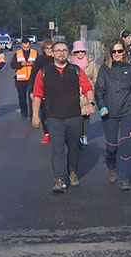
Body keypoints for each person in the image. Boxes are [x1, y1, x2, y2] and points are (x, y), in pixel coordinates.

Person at [32, 40, 96, 194]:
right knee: (57, 149)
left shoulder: (75, 71)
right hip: (53, 117)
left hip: (74, 116)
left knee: (74, 148)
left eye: (64, 50)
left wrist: (91, 103)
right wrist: (35, 115)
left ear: (67, 53)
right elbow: (37, 95)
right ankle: (59, 179)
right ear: (52, 53)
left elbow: (87, 88)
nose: (61, 53)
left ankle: (72, 171)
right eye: (58, 50)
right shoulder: (44, 72)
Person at [95, 38, 131, 191]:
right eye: (114, 51)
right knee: (112, 147)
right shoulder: (104, 69)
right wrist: (102, 107)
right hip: (109, 112)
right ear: (110, 53)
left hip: (128, 111)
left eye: (119, 51)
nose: (117, 54)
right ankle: (111, 165)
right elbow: (99, 91)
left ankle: (125, 177)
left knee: (125, 143)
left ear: (124, 52)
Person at [70, 41, 98, 146]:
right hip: (74, 92)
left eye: (82, 51)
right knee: (76, 115)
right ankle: (76, 135)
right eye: (78, 51)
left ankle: (84, 135)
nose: (80, 53)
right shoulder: (70, 63)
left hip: (88, 92)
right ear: (74, 53)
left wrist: (96, 89)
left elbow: (95, 77)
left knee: (86, 115)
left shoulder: (91, 62)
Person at [31, 40, 55, 142]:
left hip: (56, 90)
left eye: (51, 48)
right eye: (47, 48)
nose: (49, 50)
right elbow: (33, 76)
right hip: (43, 90)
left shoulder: (58, 59)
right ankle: (46, 133)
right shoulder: (40, 60)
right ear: (43, 50)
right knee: (44, 112)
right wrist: (32, 91)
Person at [12, 38, 38, 120]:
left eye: (27, 47)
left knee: (32, 97)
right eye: (24, 47)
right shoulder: (17, 54)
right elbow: (12, 65)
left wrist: (33, 64)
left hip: (32, 79)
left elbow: (39, 64)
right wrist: (21, 64)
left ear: (30, 45)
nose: (26, 48)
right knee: (22, 97)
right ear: (21, 45)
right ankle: (24, 112)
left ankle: (32, 114)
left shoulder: (35, 53)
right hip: (21, 79)